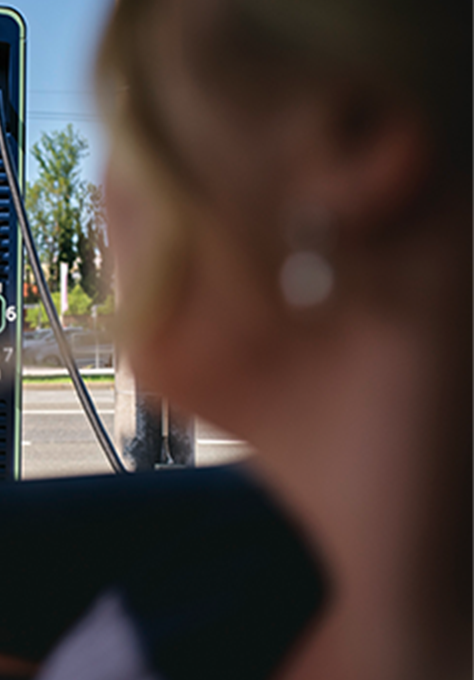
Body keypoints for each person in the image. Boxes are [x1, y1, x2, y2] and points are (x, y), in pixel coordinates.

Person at [41, 1, 469, 679]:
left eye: (141, 123)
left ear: (354, 141)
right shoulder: (217, 593)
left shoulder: (188, 619)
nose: (107, 186)